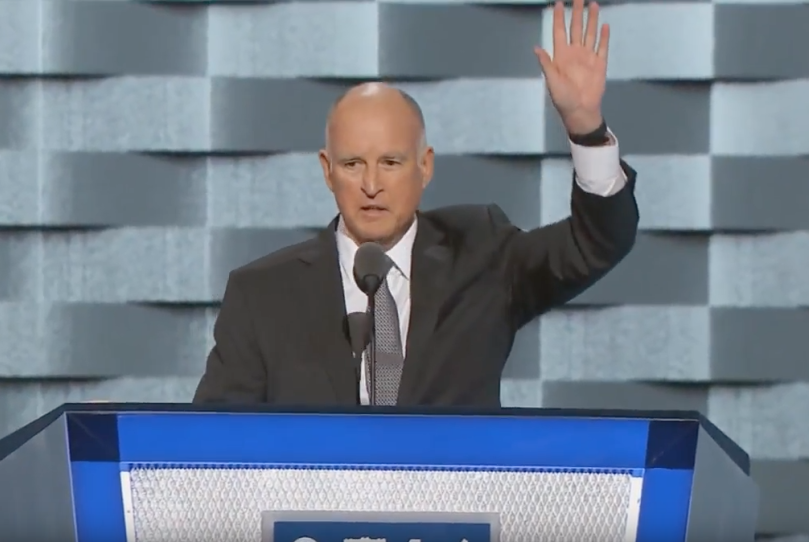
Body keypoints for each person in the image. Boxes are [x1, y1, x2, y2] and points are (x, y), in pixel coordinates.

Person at [193, 0, 639, 407]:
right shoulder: (264, 295)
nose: (371, 184)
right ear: (327, 171)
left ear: (424, 167)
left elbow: (596, 243)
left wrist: (586, 129)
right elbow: (209, 447)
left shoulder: (483, 256)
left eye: (390, 162)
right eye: (352, 164)